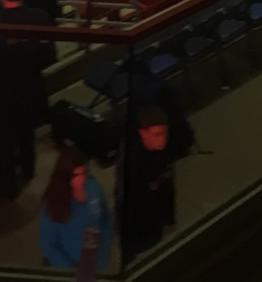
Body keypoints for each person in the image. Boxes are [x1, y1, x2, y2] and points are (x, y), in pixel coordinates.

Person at [0, 0, 52, 199]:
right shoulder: (40, 17)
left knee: (4, 142)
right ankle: (28, 169)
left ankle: (7, 184)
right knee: (26, 132)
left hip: (3, 98)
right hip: (31, 90)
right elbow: (49, 55)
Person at [39, 147, 114, 272]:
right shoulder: (52, 203)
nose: (83, 179)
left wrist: (105, 246)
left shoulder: (94, 189)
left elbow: (105, 217)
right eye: (78, 175)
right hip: (69, 266)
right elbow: (48, 245)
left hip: (95, 261)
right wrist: (70, 271)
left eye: (85, 173)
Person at [121, 107, 179, 260]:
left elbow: (168, 189)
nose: (163, 139)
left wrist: (169, 219)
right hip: (136, 225)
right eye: (157, 135)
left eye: (165, 133)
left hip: (155, 221)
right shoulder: (132, 164)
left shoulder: (164, 155)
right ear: (143, 133)